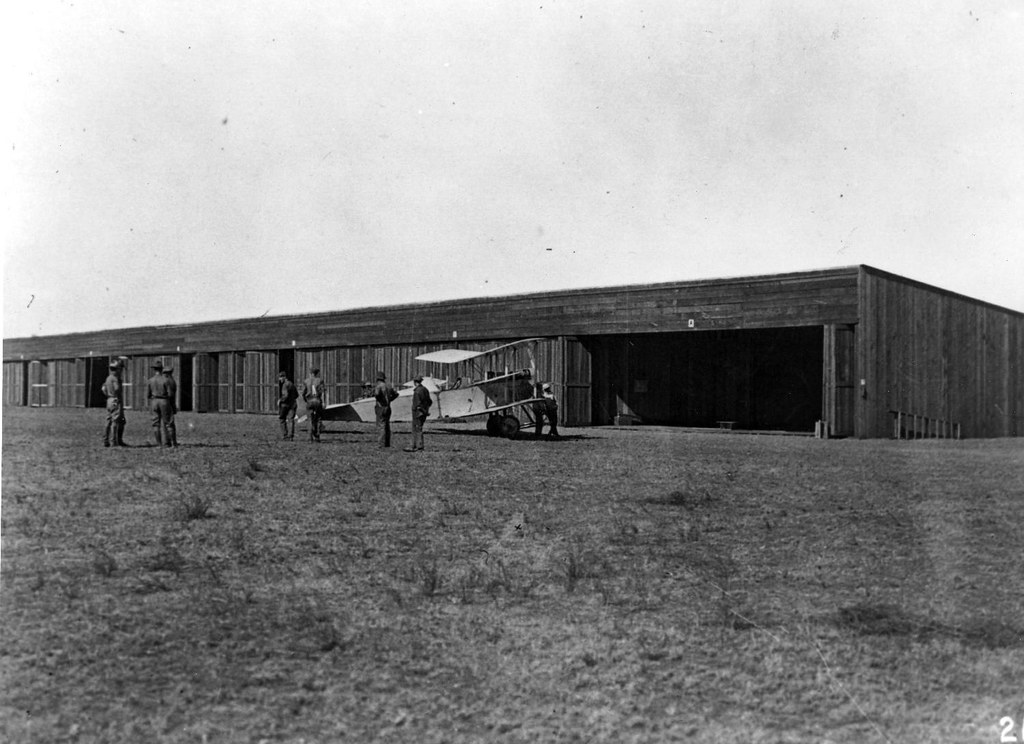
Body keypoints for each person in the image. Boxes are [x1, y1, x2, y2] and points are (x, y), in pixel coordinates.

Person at [146, 361, 174, 446]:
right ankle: (173, 443)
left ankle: (159, 444)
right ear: (162, 369)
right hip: (164, 401)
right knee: (168, 423)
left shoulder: (150, 380)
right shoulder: (165, 380)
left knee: (156, 424)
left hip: (154, 401)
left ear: (154, 369)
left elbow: (148, 395)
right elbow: (170, 394)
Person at [101, 360, 126, 447]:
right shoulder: (115, 378)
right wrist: (117, 396)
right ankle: (114, 441)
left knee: (108, 420)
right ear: (117, 369)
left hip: (109, 400)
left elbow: (103, 388)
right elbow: (117, 388)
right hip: (115, 400)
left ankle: (105, 440)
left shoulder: (108, 378)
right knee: (115, 421)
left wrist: (108, 395)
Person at [404, 375, 432, 452]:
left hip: (417, 413)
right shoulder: (425, 390)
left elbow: (417, 404)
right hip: (424, 413)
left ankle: (418, 446)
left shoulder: (417, 391)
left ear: (415, 382)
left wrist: (421, 410)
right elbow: (430, 402)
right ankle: (416, 445)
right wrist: (426, 410)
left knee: (416, 429)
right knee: (419, 428)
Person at [373, 371, 399, 448]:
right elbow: (396, 394)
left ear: (378, 379)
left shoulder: (379, 386)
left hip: (381, 407)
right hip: (388, 407)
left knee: (381, 425)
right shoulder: (389, 386)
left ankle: (381, 444)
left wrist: (380, 400)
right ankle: (387, 443)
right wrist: (390, 400)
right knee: (387, 425)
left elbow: (377, 394)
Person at [302, 367, 325, 442]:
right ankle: (317, 436)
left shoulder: (306, 381)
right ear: (316, 373)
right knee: (318, 419)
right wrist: (323, 402)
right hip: (317, 400)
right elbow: (323, 391)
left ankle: (309, 437)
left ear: (311, 373)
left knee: (310, 419)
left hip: (309, 400)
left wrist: (306, 400)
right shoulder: (320, 380)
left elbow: (303, 393)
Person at [278, 370, 299, 440]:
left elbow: (285, 395)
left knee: (282, 419)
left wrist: (280, 400)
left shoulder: (284, 385)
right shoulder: (292, 384)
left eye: (280, 377)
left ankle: (285, 435)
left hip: (285, 405)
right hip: (292, 404)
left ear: (284, 377)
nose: (279, 379)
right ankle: (291, 436)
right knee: (291, 420)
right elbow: (297, 395)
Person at [162, 366, 179, 447]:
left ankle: (171, 442)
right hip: (169, 403)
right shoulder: (171, 381)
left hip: (168, 403)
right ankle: (168, 441)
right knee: (168, 423)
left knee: (168, 423)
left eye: (165, 373)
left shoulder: (168, 381)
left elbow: (171, 395)